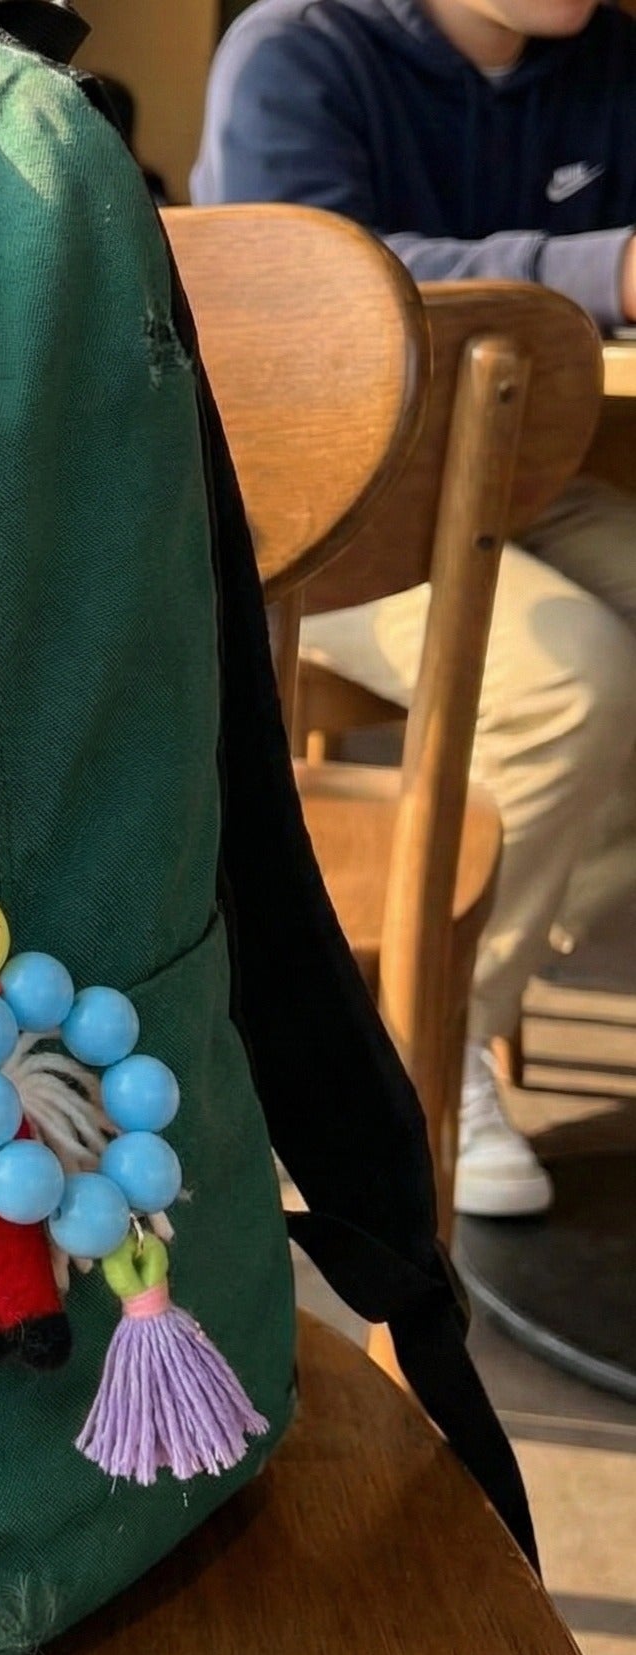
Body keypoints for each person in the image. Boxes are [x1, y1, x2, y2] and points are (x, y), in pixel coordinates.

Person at [192, 0, 636, 1217]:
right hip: (324, 516)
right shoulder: (297, 52)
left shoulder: (606, 63)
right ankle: (419, 1050)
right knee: (574, 680)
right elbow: (320, 280)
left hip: (526, 477)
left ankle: (465, 980)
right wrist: (601, 269)